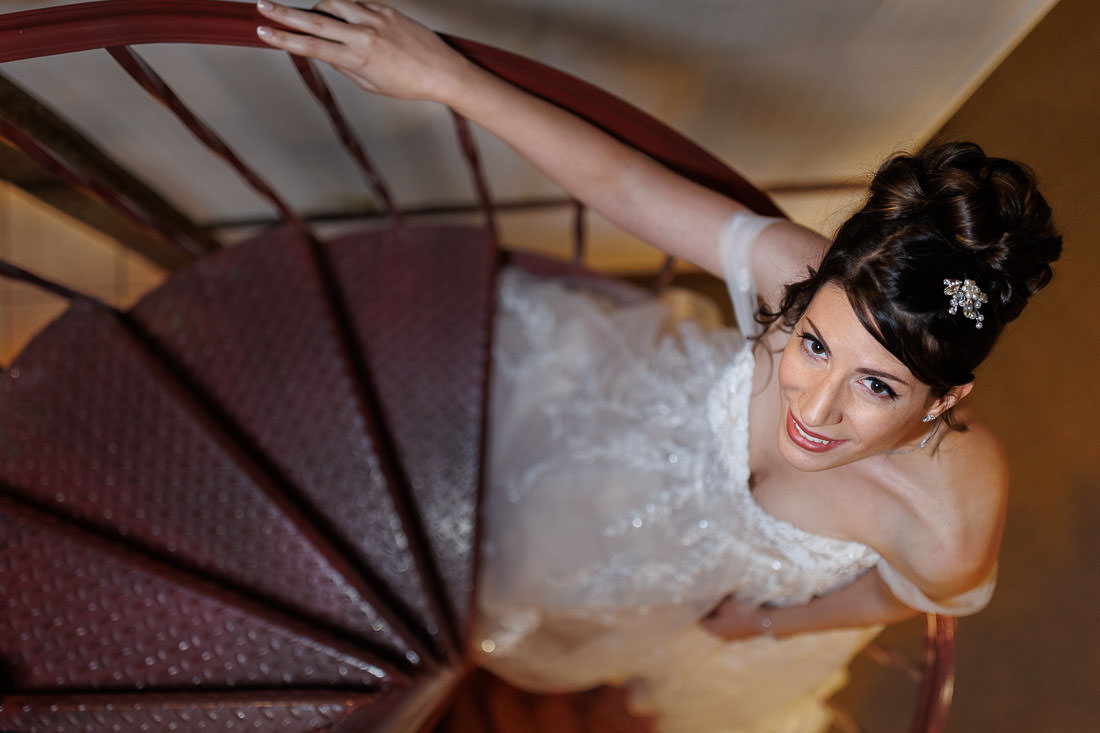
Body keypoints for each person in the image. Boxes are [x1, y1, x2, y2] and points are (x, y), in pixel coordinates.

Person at [255, 2, 1063, 730]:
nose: (813, 411)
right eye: (814, 344)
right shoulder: (800, 270)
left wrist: (766, 623)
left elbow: (906, 593)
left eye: (878, 386)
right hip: (638, 438)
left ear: (944, 397)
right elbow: (627, 186)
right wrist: (447, 79)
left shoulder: (950, 516)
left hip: (711, 587)